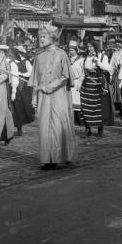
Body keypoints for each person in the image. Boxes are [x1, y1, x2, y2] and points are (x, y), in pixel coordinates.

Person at [29, 24, 77, 170]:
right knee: (44, 127)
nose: (41, 40)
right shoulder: (38, 57)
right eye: (40, 37)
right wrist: (34, 98)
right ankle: (48, 159)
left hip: (59, 96)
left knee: (58, 125)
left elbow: (65, 76)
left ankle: (63, 156)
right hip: (44, 97)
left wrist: (50, 87)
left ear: (52, 38)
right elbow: (35, 81)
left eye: (43, 37)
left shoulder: (61, 55)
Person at [78, 41, 111, 137]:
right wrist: (79, 83)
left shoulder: (102, 56)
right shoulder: (85, 57)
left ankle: (100, 128)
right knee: (85, 105)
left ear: (95, 47)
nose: (89, 48)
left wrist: (98, 62)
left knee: (98, 105)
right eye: (88, 46)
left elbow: (108, 68)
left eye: (91, 46)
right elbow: (83, 71)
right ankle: (87, 129)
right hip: (88, 82)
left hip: (99, 82)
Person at [10, 45, 34, 136]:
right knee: (16, 107)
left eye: (18, 52)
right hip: (13, 85)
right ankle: (17, 126)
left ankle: (21, 126)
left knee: (23, 106)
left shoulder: (26, 62)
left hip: (23, 86)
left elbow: (31, 73)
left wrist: (20, 74)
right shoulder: (11, 62)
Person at [67, 41, 83, 124]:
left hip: (77, 81)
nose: (70, 52)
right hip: (70, 81)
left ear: (76, 50)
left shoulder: (81, 59)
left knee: (78, 100)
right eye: (69, 50)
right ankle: (72, 119)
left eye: (72, 50)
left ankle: (79, 119)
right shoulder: (67, 60)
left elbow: (83, 72)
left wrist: (80, 82)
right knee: (71, 100)